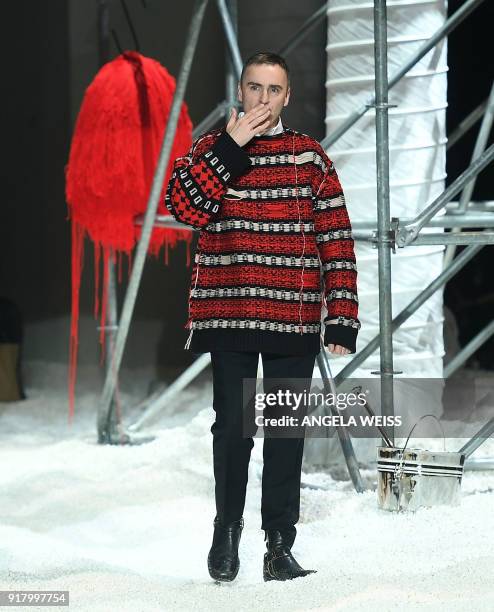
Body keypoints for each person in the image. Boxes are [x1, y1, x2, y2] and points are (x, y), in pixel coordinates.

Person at [165, 51, 360, 582]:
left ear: (288, 96)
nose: (264, 100)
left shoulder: (309, 157)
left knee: (284, 433)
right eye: (255, 88)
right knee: (232, 429)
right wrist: (233, 148)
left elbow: (335, 240)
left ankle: (278, 546)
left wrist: (341, 316)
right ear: (241, 89)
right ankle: (226, 535)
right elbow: (184, 209)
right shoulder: (213, 151)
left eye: (274, 91)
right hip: (228, 311)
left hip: (293, 318)